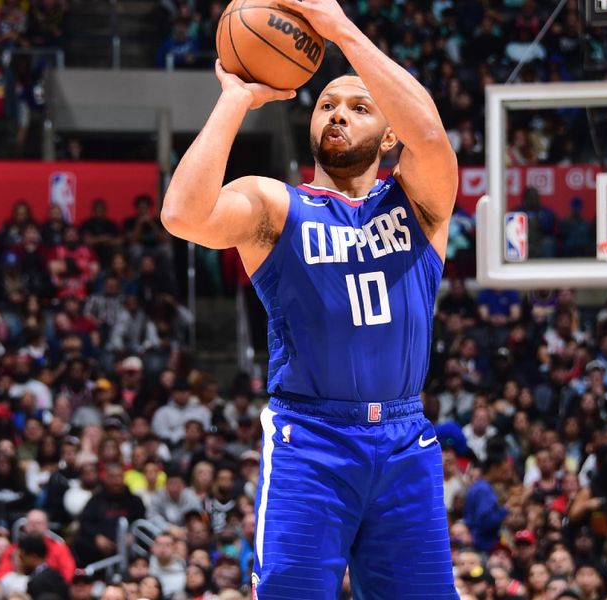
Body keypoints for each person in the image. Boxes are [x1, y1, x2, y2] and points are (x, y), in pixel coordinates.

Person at [161, 0, 458, 596]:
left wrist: (339, 29)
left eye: (358, 106)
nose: (338, 114)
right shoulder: (275, 206)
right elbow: (181, 215)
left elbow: (427, 132)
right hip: (310, 440)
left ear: (389, 132)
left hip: (404, 438)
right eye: (326, 105)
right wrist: (235, 100)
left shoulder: (420, 203)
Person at [18, 534, 69, 600]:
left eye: (22, 558)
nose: (20, 563)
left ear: (33, 556)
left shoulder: (36, 583)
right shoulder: (57, 575)